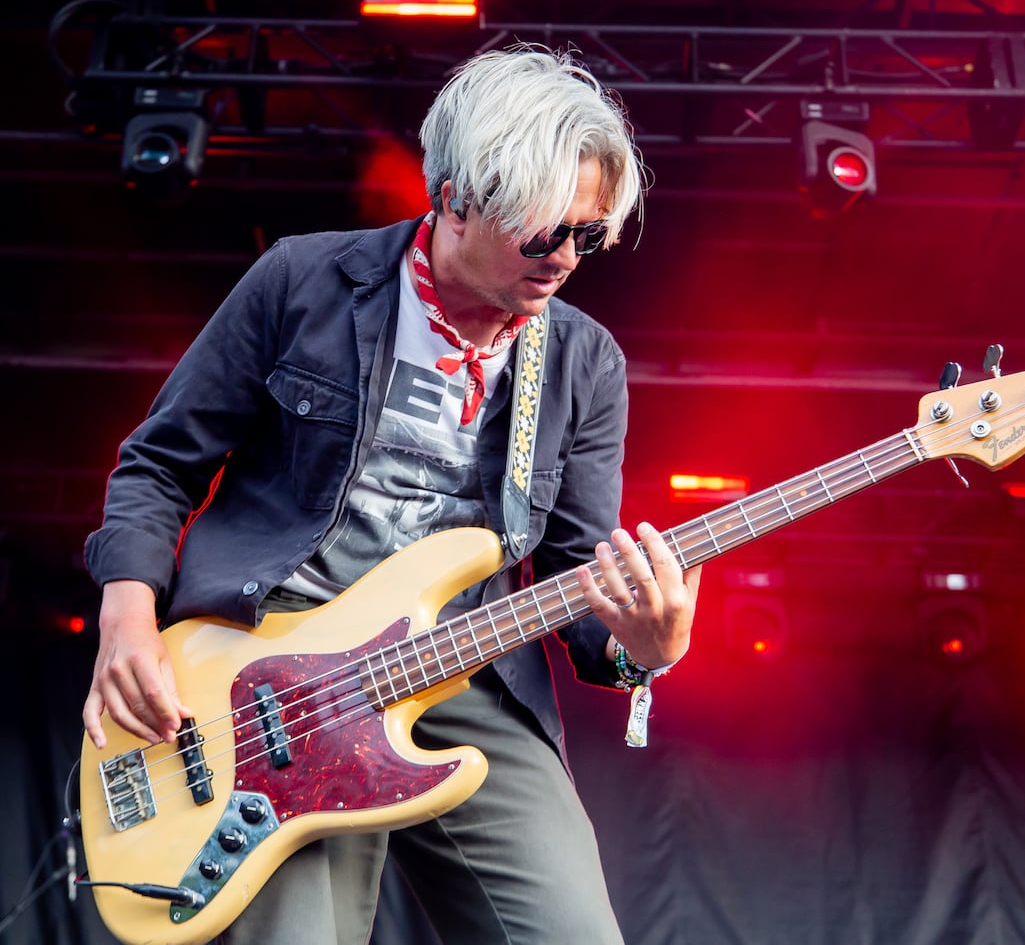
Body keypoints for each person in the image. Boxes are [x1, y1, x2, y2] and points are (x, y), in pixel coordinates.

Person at [80, 46, 699, 944]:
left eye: (589, 234)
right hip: (274, 676)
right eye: (544, 232)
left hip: (463, 670)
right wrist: (127, 621)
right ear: (452, 197)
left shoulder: (583, 361)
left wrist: (645, 647)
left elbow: (577, 574)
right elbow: (159, 464)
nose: (568, 257)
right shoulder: (302, 281)